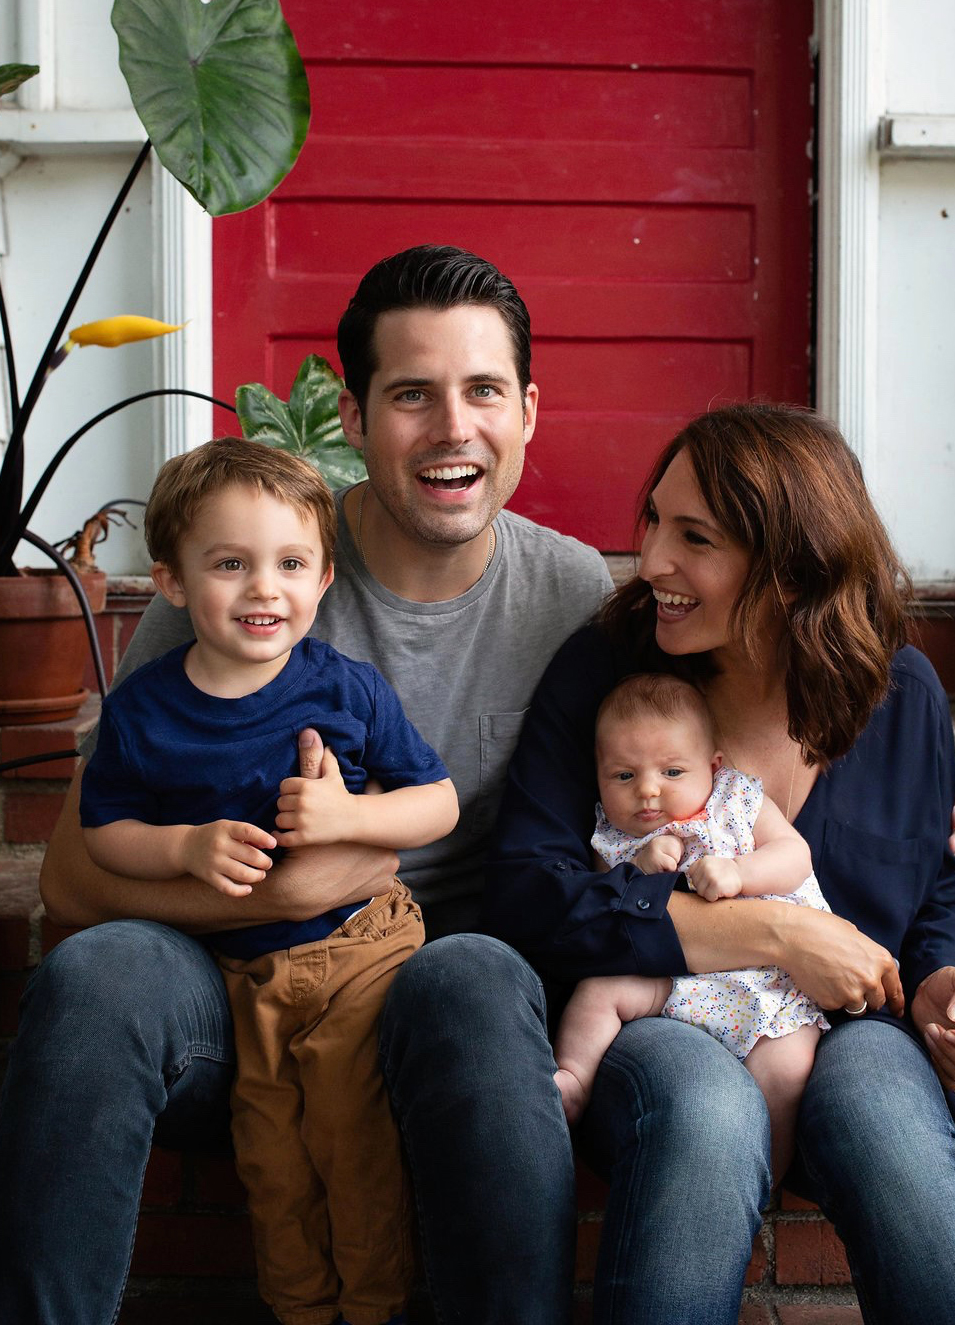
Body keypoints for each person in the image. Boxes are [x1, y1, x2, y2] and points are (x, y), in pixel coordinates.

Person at [0, 244, 614, 1325]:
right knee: (95, 977)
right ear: (355, 414)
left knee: (475, 973)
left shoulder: (568, 589)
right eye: (411, 393)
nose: (451, 427)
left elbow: (689, 769)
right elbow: (69, 880)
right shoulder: (246, 569)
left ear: (527, 410)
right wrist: (268, 895)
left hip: (429, 995)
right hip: (221, 982)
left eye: (480, 391)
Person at [483, 401, 955, 1324]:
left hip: (848, 1030)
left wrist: (943, 980)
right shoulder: (612, 672)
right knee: (707, 1112)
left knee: (891, 1120)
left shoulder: (897, 693)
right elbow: (528, 889)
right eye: (655, 521)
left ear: (792, 569)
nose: (653, 561)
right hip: (664, 1015)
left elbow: (933, 887)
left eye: (696, 538)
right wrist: (774, 930)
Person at [79, 437, 459, 1325]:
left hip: (359, 952)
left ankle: (373, 1309)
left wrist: (349, 819)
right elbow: (105, 834)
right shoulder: (145, 711)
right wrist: (180, 849)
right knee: (271, 1156)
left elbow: (435, 800)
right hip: (243, 975)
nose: (264, 588)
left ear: (325, 579)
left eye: (291, 563)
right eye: (230, 564)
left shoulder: (347, 691)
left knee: (351, 1139)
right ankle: (300, 1310)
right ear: (171, 580)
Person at [553, 672, 829, 1184]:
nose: (648, 791)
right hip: (671, 977)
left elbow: (795, 856)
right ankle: (573, 1077)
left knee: (787, 1071)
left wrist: (740, 872)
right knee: (598, 993)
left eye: (673, 771)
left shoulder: (738, 801)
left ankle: (761, 1179)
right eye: (622, 776)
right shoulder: (611, 833)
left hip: (765, 981)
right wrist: (635, 863)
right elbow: (603, 902)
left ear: (713, 766)